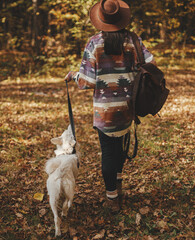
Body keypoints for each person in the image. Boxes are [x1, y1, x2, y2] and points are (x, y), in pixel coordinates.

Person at [64, 0, 155, 212]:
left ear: (101, 19)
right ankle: (119, 182)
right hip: (128, 107)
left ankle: (112, 197)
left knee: (108, 152)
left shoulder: (94, 43)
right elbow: (152, 64)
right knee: (121, 147)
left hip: (104, 112)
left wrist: (73, 75)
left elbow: (87, 82)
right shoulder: (133, 40)